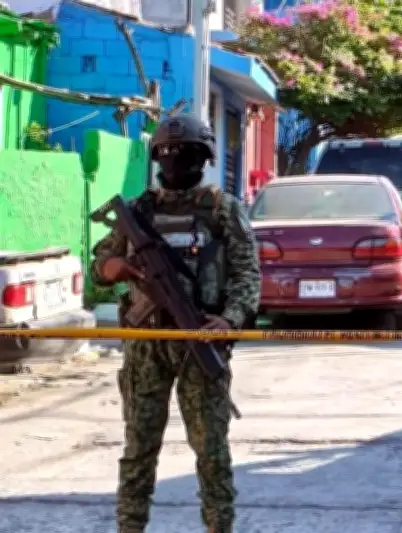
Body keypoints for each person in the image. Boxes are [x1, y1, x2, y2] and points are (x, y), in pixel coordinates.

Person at [89, 114, 261, 533]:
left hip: (200, 338)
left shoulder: (221, 209)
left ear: (203, 158)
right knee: (139, 450)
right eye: (167, 155)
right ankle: (130, 527)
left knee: (211, 452)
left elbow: (248, 275)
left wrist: (229, 319)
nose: (176, 162)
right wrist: (117, 268)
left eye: (186, 155)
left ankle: (219, 526)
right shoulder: (137, 212)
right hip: (146, 343)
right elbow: (98, 269)